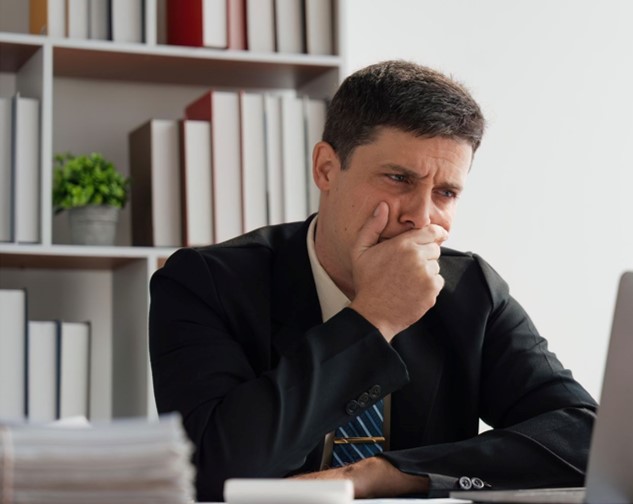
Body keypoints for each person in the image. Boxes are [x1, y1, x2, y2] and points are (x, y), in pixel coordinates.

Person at [149, 60, 597, 502]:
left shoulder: (470, 290)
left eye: (446, 193)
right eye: (399, 178)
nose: (421, 216)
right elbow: (214, 473)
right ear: (326, 168)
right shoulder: (203, 283)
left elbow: (587, 437)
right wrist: (373, 318)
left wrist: (383, 475)